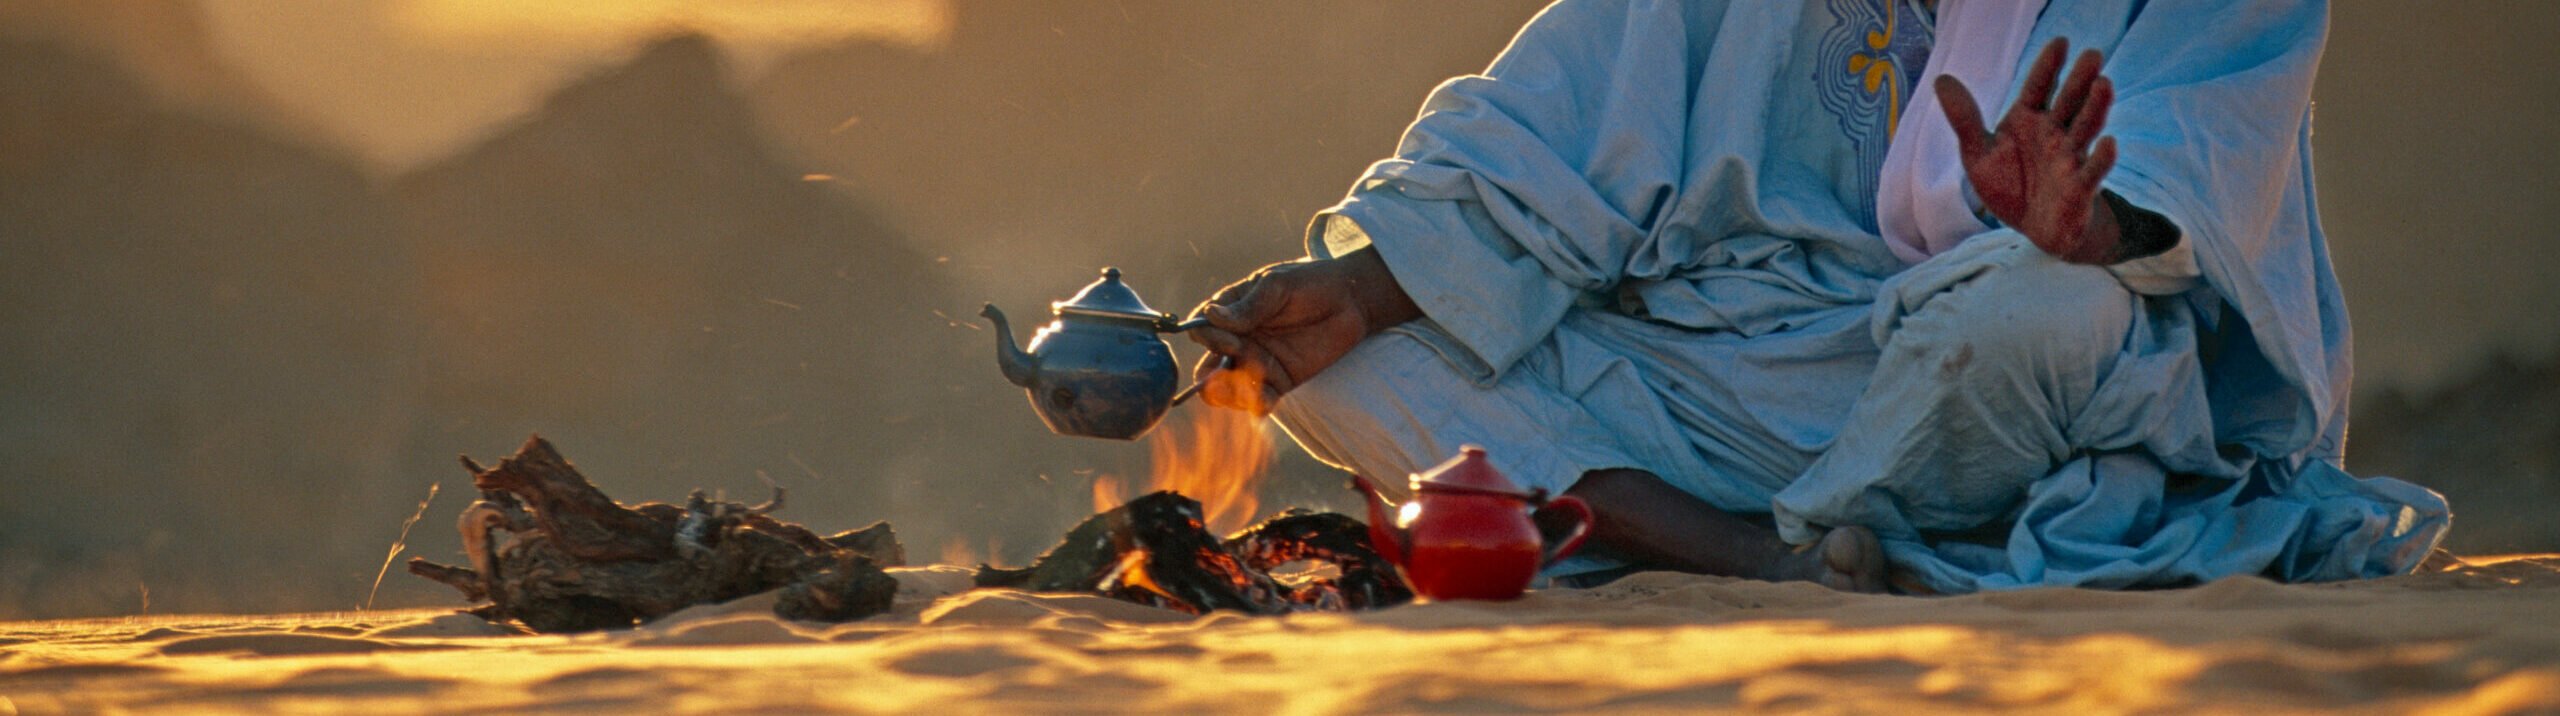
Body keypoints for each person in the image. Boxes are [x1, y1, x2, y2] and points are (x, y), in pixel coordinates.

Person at [1183, 0, 2450, 593]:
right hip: (1715, 370)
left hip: (1993, 391)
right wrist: (1357, 285)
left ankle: (1764, 532)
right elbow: (1546, 128)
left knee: (2035, 317)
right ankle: (1760, 556)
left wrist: (2086, 224)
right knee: (1341, 359)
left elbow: (2205, 149)